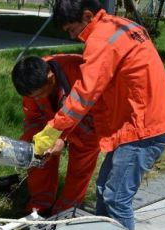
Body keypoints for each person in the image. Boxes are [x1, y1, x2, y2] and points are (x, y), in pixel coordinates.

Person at [32, 0, 165, 230]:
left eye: (72, 28)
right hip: (141, 120)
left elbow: (83, 95)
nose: (71, 36)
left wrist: (54, 128)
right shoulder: (121, 25)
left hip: (144, 126)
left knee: (116, 197)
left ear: (87, 15)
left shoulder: (101, 39)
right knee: (104, 188)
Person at [12, 54, 100, 216]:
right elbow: (33, 118)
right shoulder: (30, 82)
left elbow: (89, 107)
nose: (36, 99)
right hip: (52, 123)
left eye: (39, 95)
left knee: (80, 165)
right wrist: (34, 142)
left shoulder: (79, 70)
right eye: (32, 97)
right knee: (36, 152)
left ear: (51, 78)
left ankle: (65, 211)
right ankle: (40, 205)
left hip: (88, 121)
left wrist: (62, 138)